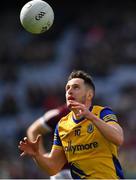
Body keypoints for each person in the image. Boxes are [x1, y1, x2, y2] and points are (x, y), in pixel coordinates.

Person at [18, 70, 124, 179]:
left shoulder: (102, 113)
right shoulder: (62, 125)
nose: (70, 91)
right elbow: (53, 168)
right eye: (67, 88)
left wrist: (91, 117)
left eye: (76, 87)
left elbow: (118, 138)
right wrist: (37, 155)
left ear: (89, 95)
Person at [26, 104, 72, 179]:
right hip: (64, 172)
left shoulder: (95, 114)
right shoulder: (60, 114)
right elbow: (33, 130)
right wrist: (42, 156)